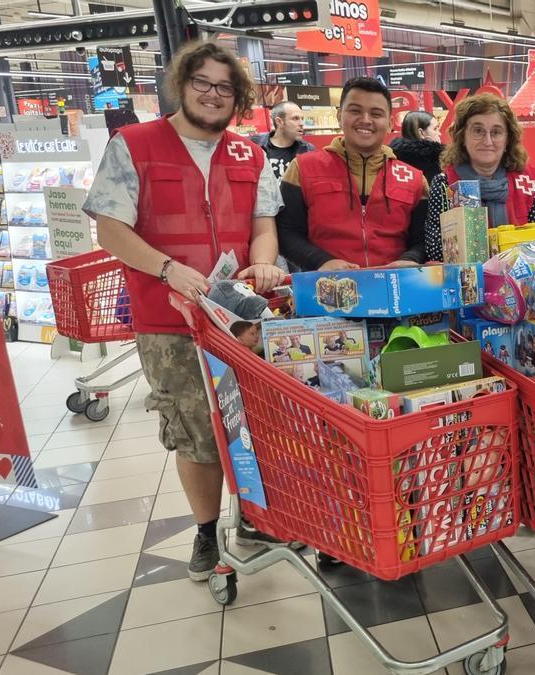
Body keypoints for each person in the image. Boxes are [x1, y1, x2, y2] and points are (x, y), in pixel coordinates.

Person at [82, 40, 290, 583]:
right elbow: (109, 228)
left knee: (254, 424)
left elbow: (263, 225)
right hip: (168, 320)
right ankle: (205, 531)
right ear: (181, 85)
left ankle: (253, 518)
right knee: (196, 431)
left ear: (238, 96)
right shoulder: (134, 144)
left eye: (225, 86)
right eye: (203, 83)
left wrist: (263, 265)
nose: (213, 95)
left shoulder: (251, 154)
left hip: (241, 319)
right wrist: (166, 267)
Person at [278, 77, 429, 271]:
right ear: (340, 115)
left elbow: (425, 238)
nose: (365, 120)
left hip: (396, 290)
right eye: (355, 110)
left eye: (376, 113)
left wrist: (412, 257)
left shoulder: (414, 179)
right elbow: (286, 232)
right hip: (324, 290)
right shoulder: (302, 169)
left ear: (390, 122)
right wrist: (321, 261)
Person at [424, 94, 535, 262]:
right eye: (478, 131)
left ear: (507, 140)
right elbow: (435, 249)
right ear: (462, 137)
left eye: (496, 132)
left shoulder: (528, 183)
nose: (487, 141)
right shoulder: (445, 185)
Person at [254, 101, 314, 180]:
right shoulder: (255, 146)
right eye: (295, 118)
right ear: (279, 122)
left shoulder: (307, 150)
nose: (302, 123)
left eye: (302, 119)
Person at [390, 111, 444, 182]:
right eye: (435, 129)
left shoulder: (393, 156)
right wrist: (438, 149)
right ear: (421, 133)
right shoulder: (432, 158)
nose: (439, 133)